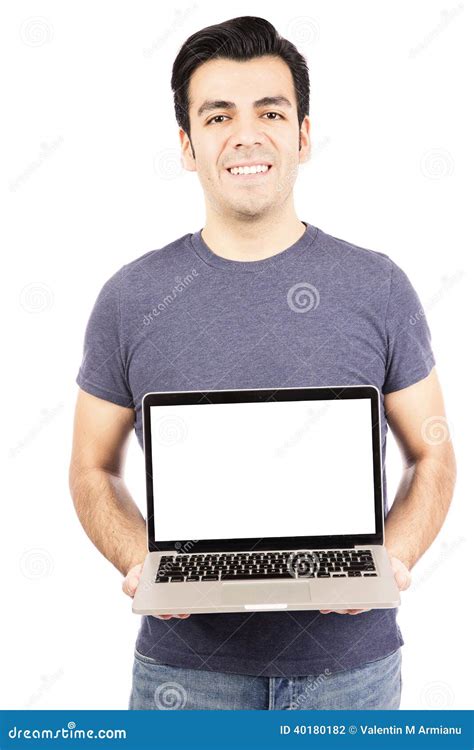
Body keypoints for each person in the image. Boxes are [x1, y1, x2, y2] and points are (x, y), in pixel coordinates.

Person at [69, 16, 456, 710]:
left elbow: (433, 454)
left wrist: (390, 558)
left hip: (352, 673)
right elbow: (90, 466)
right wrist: (141, 560)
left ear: (303, 135)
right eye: (218, 116)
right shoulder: (131, 298)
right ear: (188, 146)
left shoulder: (378, 285)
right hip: (185, 677)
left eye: (270, 112)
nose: (246, 134)